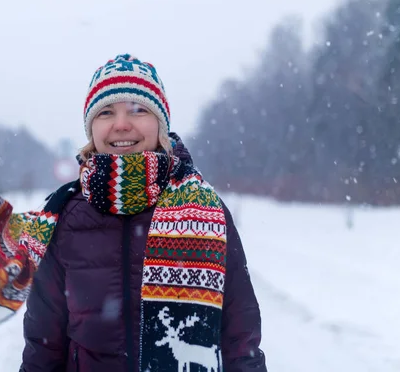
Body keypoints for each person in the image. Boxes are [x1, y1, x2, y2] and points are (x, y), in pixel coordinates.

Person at [20, 54, 267, 372]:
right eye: (106, 111)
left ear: (161, 124)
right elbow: (44, 346)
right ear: (91, 127)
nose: (121, 123)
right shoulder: (63, 218)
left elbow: (240, 339)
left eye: (138, 110)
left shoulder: (206, 211)